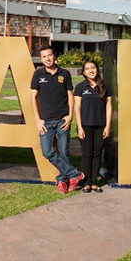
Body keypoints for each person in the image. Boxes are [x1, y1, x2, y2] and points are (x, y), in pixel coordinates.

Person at [31, 46, 84, 194]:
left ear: (55, 56)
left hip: (62, 120)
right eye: (44, 56)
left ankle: (62, 180)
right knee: (47, 152)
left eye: (49, 55)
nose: (47, 59)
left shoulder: (65, 74)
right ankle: (75, 175)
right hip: (45, 121)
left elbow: (70, 96)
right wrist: (37, 119)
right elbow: (33, 97)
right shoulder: (38, 74)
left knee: (64, 152)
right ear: (41, 59)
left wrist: (70, 116)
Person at [74, 59, 113, 193]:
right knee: (86, 154)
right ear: (84, 72)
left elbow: (109, 106)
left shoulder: (105, 86)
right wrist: (79, 127)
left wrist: (107, 126)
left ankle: (94, 182)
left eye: (93, 68)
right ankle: (86, 182)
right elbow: (77, 107)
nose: (91, 70)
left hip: (101, 126)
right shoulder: (80, 87)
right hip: (85, 125)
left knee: (97, 154)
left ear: (97, 69)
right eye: (88, 69)